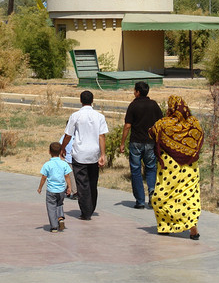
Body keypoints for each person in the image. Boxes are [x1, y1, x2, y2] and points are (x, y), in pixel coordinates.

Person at [149, 95, 205, 240]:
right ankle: (192, 229)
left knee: (162, 196)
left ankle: (164, 226)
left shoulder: (164, 124)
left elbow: (152, 133)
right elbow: (200, 138)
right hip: (190, 167)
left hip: (169, 168)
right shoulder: (194, 123)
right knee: (188, 197)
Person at [60, 90, 108, 220]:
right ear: (92, 101)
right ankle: (91, 208)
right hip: (94, 154)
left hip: (79, 154)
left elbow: (68, 135)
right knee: (93, 182)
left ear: (81, 101)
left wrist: (62, 148)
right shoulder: (99, 117)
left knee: (82, 184)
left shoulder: (75, 116)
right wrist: (102, 154)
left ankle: (86, 211)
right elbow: (102, 136)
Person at [118, 81, 163, 209]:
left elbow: (127, 126)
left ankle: (140, 201)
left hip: (136, 142)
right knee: (151, 168)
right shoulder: (154, 105)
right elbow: (160, 123)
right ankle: (152, 192)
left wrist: (122, 143)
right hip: (150, 142)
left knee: (136, 170)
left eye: (134, 90)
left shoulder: (133, 105)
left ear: (137, 92)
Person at [37, 142, 73, 233]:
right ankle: (60, 217)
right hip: (61, 190)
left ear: (49, 152)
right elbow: (67, 176)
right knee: (59, 204)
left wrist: (40, 187)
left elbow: (44, 177)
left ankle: (54, 227)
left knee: (51, 207)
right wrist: (69, 187)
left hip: (51, 190)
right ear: (61, 151)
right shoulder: (64, 164)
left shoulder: (47, 165)